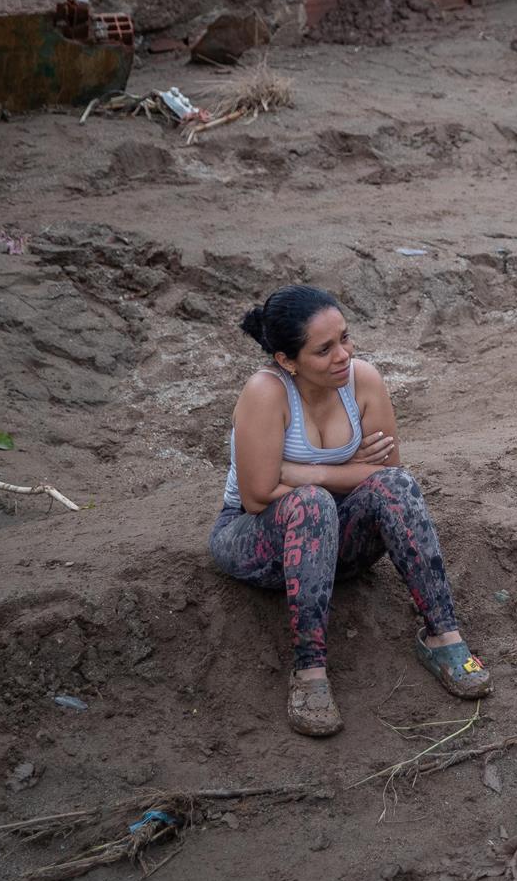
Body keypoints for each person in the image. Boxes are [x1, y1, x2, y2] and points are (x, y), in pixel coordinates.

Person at [209, 284, 490, 736]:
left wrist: (309, 472)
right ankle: (309, 671)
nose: (342, 354)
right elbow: (258, 495)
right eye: (324, 349)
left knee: (395, 485)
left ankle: (444, 636)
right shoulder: (266, 392)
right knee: (311, 504)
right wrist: (344, 469)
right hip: (256, 539)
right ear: (287, 360)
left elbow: (387, 473)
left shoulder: (363, 380)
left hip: (336, 538)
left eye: (345, 337)